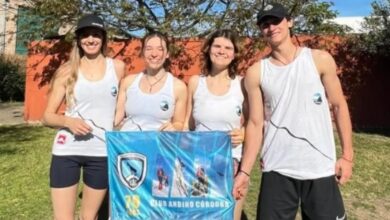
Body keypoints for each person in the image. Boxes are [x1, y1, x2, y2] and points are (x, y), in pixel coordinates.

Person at [233, 2, 354, 219]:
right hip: (277, 168)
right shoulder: (256, 72)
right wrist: (244, 171)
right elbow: (255, 123)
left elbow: (338, 105)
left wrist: (347, 156)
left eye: (276, 20)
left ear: (289, 22)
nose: (271, 27)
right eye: (265, 24)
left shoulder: (319, 59)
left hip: (319, 166)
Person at [42, 14, 125, 220]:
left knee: (89, 217)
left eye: (96, 35)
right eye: (86, 35)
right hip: (67, 151)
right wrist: (68, 121)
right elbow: (47, 116)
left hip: (101, 151)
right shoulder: (67, 71)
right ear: (79, 39)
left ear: (103, 39)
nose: (91, 39)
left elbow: (121, 111)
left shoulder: (118, 68)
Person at [184, 29, 247, 220]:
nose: (222, 51)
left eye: (228, 48)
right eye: (217, 46)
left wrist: (243, 133)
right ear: (208, 49)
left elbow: (254, 123)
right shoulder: (196, 82)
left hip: (231, 163)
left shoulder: (243, 84)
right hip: (198, 164)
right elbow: (188, 124)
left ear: (235, 53)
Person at [114, 31, 187, 131]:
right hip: (127, 145)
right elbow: (116, 119)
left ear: (167, 54)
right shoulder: (128, 82)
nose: (154, 54)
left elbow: (179, 122)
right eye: (149, 49)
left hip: (158, 145)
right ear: (143, 53)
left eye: (160, 49)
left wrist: (174, 127)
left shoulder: (178, 87)